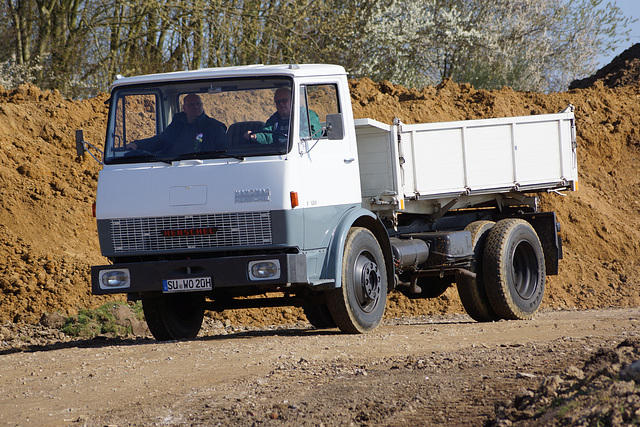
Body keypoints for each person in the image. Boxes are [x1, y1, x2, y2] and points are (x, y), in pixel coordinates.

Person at [126, 93, 229, 156]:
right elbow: (160, 140)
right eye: (192, 104)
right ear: (184, 108)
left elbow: (225, 152)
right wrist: (137, 145)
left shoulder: (214, 127)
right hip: (174, 166)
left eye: (198, 104)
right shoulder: (177, 125)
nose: (196, 107)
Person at [244, 87, 321, 144]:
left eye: (284, 100)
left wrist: (292, 137)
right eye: (278, 102)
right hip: (280, 153)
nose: (281, 104)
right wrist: (255, 136)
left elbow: (314, 133)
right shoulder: (274, 119)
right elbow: (267, 134)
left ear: (293, 100)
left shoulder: (306, 115)